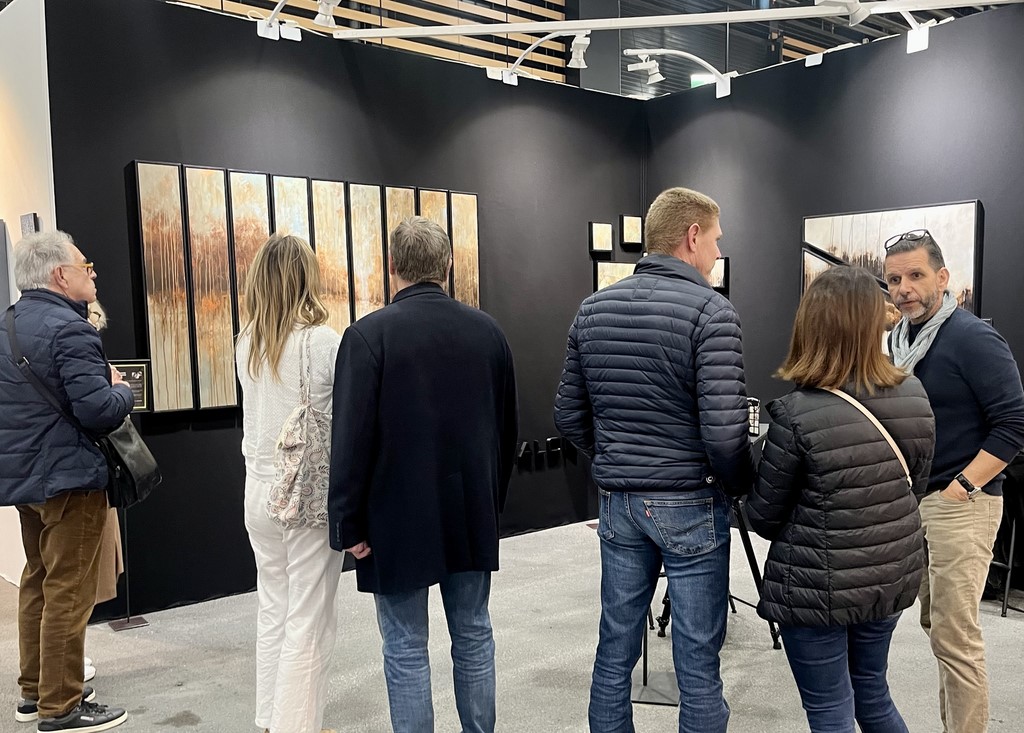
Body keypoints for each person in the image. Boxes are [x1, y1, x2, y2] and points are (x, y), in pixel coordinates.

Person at [554, 187, 753, 733]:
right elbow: (725, 434)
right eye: (715, 240)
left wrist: (614, 459)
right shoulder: (712, 312)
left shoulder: (593, 309)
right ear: (692, 236)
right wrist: (738, 486)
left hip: (619, 503)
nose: (717, 252)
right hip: (690, 501)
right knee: (697, 658)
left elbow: (568, 415)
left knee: (614, 645)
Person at [329, 216, 518, 733]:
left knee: (405, 645)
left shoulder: (367, 336)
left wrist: (347, 523)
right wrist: (492, 503)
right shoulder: (489, 333)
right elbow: (506, 433)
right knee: (474, 633)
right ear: (448, 264)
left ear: (392, 265)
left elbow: (350, 440)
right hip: (470, 508)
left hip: (394, 517)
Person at [746, 266, 936, 733]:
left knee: (830, 709)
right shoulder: (914, 394)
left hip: (816, 587)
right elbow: (914, 487)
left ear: (811, 325)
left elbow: (764, 516)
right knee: (873, 694)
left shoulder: (796, 414)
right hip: (889, 575)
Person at [884, 230, 1024, 733]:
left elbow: (1014, 424)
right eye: (894, 279)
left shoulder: (972, 337)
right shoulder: (896, 342)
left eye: (916, 275)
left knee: (956, 636)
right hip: (915, 501)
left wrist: (962, 487)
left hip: (962, 502)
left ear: (942, 278)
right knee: (936, 625)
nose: (904, 288)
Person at [0, 231, 132, 732]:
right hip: (71, 479)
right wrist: (122, 389)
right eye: (85, 265)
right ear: (60, 275)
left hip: (26, 481)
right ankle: (61, 706)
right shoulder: (71, 329)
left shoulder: (8, 324)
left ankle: (35, 692)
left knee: (38, 580)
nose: (92, 274)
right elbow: (98, 411)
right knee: (68, 592)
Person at [235, 234, 343, 733]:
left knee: (273, 605)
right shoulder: (322, 342)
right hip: (305, 493)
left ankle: (270, 718)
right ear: (306, 278)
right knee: (309, 616)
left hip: (257, 488)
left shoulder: (247, 341)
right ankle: (295, 725)